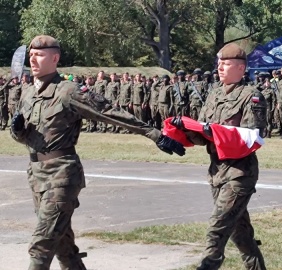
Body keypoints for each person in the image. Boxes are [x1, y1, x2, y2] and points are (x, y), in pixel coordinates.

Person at [10, 35, 184, 270]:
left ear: (55, 58)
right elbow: (25, 137)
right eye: (31, 55)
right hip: (36, 175)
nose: (33, 59)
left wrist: (155, 135)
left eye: (39, 55)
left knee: (42, 244)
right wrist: (18, 130)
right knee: (63, 245)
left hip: (62, 175)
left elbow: (110, 112)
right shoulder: (29, 93)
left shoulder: (68, 91)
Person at [170, 43, 267, 270]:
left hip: (239, 172)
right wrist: (184, 131)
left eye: (226, 63)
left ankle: (208, 266)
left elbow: (250, 137)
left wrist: (210, 131)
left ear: (241, 68)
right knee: (239, 233)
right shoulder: (214, 94)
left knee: (218, 227)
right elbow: (203, 132)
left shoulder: (251, 96)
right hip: (217, 171)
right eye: (219, 63)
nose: (220, 68)